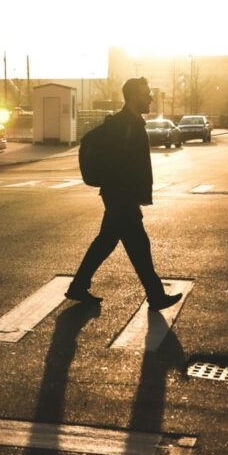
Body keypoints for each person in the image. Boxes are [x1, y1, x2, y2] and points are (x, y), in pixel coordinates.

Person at [66, 77, 183, 310]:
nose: (150, 98)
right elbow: (112, 156)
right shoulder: (123, 124)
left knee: (107, 242)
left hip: (120, 195)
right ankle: (156, 295)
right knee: (139, 246)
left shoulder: (131, 122)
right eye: (146, 94)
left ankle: (78, 286)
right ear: (132, 97)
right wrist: (121, 186)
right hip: (121, 196)